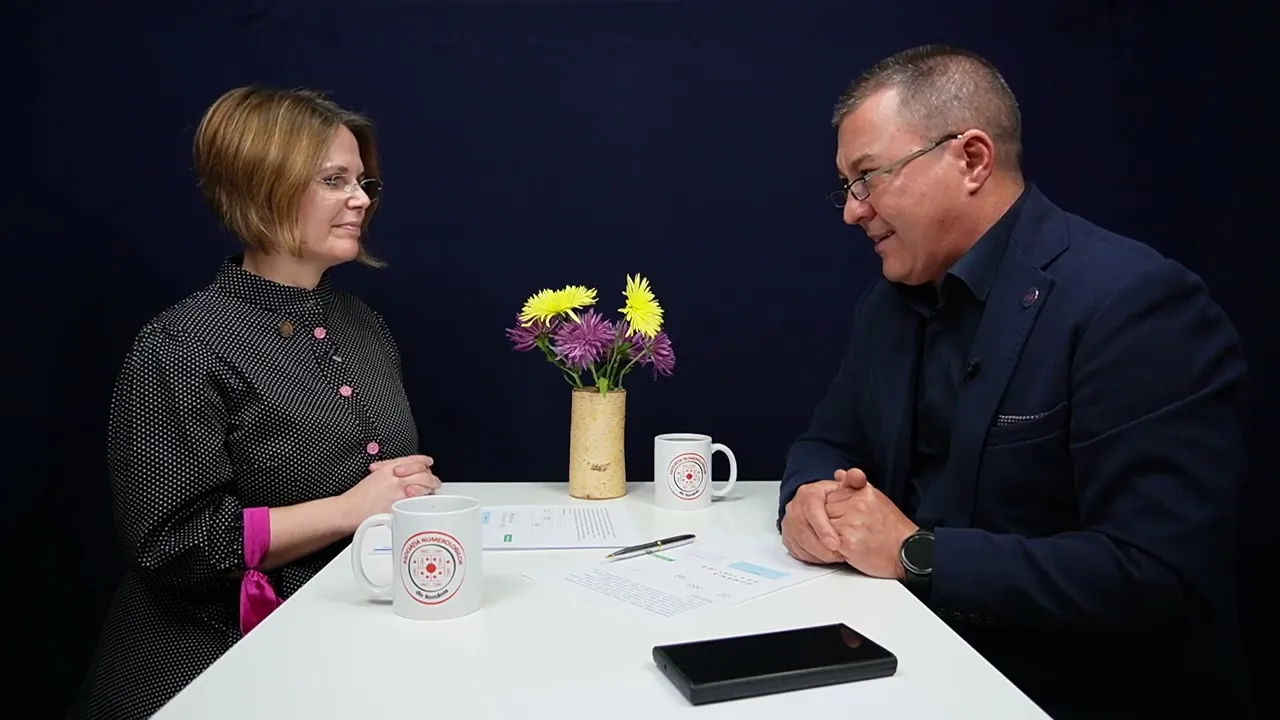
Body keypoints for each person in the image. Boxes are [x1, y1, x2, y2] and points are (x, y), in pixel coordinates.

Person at [778, 45, 1252, 719]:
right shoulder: (890, 303)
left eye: (868, 177)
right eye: (847, 186)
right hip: (901, 661)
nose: (853, 211)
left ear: (972, 159)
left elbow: (1158, 575)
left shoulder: (1135, 304)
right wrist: (811, 500)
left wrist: (915, 554)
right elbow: (826, 441)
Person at [70, 87, 440, 720]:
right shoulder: (181, 345)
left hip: (342, 654)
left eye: (362, 182)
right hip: (207, 672)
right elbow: (173, 545)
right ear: (261, 187)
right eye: (334, 180)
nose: (361, 199)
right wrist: (351, 509)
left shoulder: (363, 325)